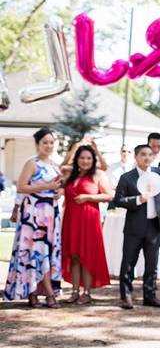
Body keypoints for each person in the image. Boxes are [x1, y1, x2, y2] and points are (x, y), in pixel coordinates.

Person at [113, 144, 160, 309]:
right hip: (134, 227)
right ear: (136, 157)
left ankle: (150, 296)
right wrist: (138, 200)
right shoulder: (127, 178)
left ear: (153, 157)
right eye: (143, 155)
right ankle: (126, 296)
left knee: (152, 264)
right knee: (128, 262)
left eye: (149, 155)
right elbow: (118, 200)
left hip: (154, 226)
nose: (146, 157)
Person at [3, 128, 64, 307]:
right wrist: (45, 186)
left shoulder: (54, 164)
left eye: (51, 142)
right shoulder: (32, 163)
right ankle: (42, 293)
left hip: (51, 214)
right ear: (38, 144)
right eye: (45, 142)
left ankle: (37, 291)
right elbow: (21, 186)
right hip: (34, 215)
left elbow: (58, 185)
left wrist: (59, 191)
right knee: (35, 251)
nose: (49, 146)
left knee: (47, 252)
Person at [61, 144, 113, 304]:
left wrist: (88, 197)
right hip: (71, 220)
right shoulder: (71, 174)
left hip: (89, 220)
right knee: (74, 256)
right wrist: (74, 147)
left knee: (87, 256)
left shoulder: (98, 175)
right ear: (77, 159)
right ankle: (75, 291)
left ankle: (87, 293)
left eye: (89, 158)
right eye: (82, 157)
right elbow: (60, 167)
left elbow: (110, 195)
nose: (85, 161)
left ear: (93, 160)